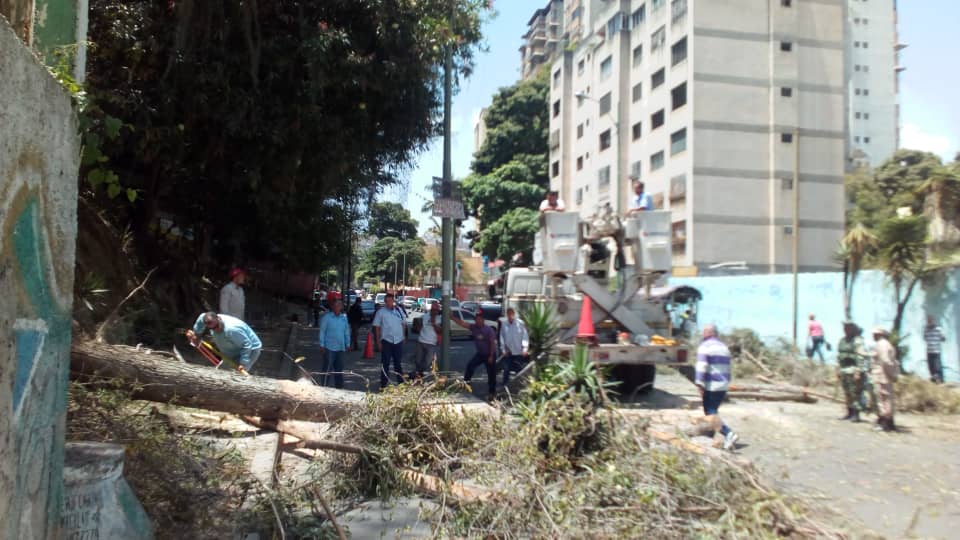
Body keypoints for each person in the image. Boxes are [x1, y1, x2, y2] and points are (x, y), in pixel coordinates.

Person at [695, 324, 739, 450]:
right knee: (713, 412)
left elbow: (701, 366)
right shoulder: (724, 347)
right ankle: (713, 439)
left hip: (711, 385)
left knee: (710, 413)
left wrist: (699, 383)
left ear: (708, 333)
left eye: (704, 331)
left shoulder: (705, 347)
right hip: (723, 385)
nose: (703, 334)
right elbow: (729, 368)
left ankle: (728, 433)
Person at [187, 311, 262, 372]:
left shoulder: (231, 329)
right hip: (232, 349)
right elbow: (200, 321)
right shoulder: (205, 318)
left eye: (216, 326)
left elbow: (246, 344)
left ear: (219, 318)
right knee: (220, 373)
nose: (216, 330)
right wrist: (196, 335)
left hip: (250, 350)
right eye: (212, 329)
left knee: (237, 377)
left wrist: (243, 363)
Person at [454, 310, 498, 400]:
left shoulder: (488, 330)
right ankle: (466, 385)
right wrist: (452, 317)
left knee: (491, 374)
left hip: (490, 354)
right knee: (470, 366)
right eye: (476, 319)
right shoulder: (474, 327)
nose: (478, 321)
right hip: (480, 354)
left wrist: (491, 356)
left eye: (479, 319)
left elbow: (492, 343)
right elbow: (462, 324)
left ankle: (492, 392)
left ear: (483, 320)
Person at [372, 293, 406, 388]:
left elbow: (403, 324)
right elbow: (377, 327)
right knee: (385, 363)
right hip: (386, 341)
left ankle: (401, 383)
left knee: (398, 363)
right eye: (386, 301)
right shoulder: (381, 312)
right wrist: (378, 342)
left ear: (393, 301)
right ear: (384, 302)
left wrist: (403, 337)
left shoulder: (399, 311)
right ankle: (383, 384)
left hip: (398, 341)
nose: (388, 303)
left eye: (390, 301)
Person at [836, 320, 868, 422]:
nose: (845, 329)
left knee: (855, 393)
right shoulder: (842, 340)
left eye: (848, 327)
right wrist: (838, 369)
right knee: (847, 393)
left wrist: (858, 371)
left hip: (853, 370)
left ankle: (856, 414)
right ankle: (849, 412)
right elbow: (839, 355)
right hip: (844, 370)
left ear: (853, 328)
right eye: (844, 327)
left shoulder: (857, 341)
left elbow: (861, 357)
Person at [870, 327, 899, 432]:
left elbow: (886, 361)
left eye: (875, 334)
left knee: (882, 399)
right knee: (886, 399)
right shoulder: (884, 344)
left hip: (882, 376)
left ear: (880, 334)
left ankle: (885, 423)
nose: (873, 336)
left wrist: (892, 375)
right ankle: (888, 422)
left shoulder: (882, 344)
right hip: (884, 375)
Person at [318, 299, 350, 388]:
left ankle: (339, 389)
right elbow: (322, 331)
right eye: (336, 305)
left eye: (339, 305)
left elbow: (346, 331)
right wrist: (322, 345)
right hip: (329, 348)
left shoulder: (344, 318)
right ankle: (324, 387)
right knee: (327, 369)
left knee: (339, 370)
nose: (337, 307)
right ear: (332, 307)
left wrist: (348, 343)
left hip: (340, 347)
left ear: (341, 307)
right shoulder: (327, 318)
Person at [499, 307, 529, 387]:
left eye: (511, 313)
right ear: (507, 314)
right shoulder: (504, 324)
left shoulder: (520, 323)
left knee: (519, 369)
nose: (510, 315)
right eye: (508, 313)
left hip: (519, 351)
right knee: (506, 369)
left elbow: (525, 336)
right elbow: (502, 337)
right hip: (508, 351)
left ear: (514, 314)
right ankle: (505, 385)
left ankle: (520, 384)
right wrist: (503, 349)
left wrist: (525, 348)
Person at [414, 302, 442, 379]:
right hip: (421, 341)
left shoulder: (440, 318)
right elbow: (420, 327)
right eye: (432, 309)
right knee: (418, 360)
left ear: (438, 310)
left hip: (432, 343)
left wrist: (433, 323)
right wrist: (417, 327)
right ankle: (418, 375)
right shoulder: (425, 316)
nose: (434, 311)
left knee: (428, 362)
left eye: (436, 310)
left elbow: (440, 331)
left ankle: (422, 374)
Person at [923, 314, 946, 383]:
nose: (929, 322)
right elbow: (925, 338)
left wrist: (942, 337)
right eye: (928, 321)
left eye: (931, 321)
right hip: (929, 351)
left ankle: (941, 380)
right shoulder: (926, 329)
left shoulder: (938, 329)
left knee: (937, 367)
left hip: (936, 351)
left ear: (933, 321)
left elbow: (943, 338)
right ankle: (934, 380)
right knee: (931, 367)